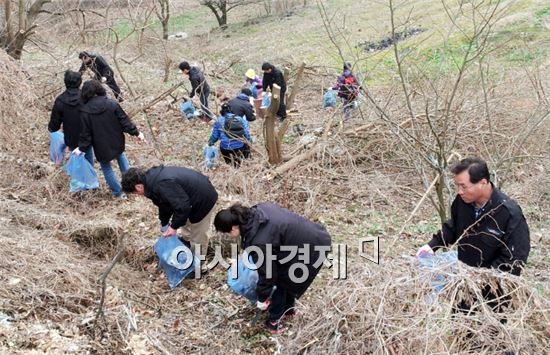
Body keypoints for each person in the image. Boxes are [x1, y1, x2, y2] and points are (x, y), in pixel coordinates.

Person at [214, 202, 332, 334]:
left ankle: (273, 321)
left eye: (227, 233)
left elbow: (268, 275)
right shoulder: (257, 211)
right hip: (310, 236)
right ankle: (288, 310)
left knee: (281, 280)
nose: (228, 236)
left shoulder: (260, 241)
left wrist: (262, 298)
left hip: (311, 246)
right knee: (287, 276)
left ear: (233, 228)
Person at [416, 157, 530, 276]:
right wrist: (432, 245)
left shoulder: (509, 214)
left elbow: (515, 259)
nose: (459, 191)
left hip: (493, 286)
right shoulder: (462, 201)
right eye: (457, 186)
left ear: (482, 183)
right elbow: (454, 226)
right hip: (464, 276)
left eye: (464, 186)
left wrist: (483, 281)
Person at [121, 166, 218, 257]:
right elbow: (164, 204)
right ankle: (188, 242)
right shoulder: (151, 181)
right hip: (189, 198)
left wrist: (173, 227)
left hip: (203, 199)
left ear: (138, 187)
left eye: (135, 193)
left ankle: (199, 266)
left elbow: (183, 207)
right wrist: (165, 224)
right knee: (183, 221)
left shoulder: (162, 184)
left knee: (198, 236)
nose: (138, 195)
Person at [75, 80, 144, 198]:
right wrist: (136, 133)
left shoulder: (85, 111)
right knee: (122, 159)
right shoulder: (112, 104)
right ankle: (131, 187)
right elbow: (124, 121)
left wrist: (81, 148)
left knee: (107, 169)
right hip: (116, 140)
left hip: (101, 146)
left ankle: (118, 193)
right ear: (99, 89)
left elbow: (86, 135)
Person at [48, 70, 93, 166]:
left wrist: (51, 128)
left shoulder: (60, 100)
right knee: (88, 157)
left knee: (77, 158)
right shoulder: (86, 97)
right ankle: (89, 178)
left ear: (65, 82)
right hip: (87, 135)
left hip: (71, 137)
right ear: (80, 82)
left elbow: (54, 125)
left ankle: (79, 177)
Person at [208, 103, 251, 167]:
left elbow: (215, 136)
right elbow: (246, 134)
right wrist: (249, 142)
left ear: (221, 111)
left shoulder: (218, 120)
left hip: (226, 148)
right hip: (239, 147)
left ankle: (229, 165)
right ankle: (239, 165)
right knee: (239, 160)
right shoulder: (239, 119)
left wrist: (210, 143)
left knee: (229, 162)